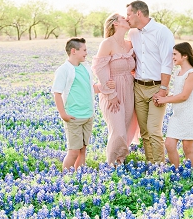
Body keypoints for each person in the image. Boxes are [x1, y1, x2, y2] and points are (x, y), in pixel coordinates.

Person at [126, 0, 176, 163]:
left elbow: (167, 63)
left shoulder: (162, 32)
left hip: (156, 87)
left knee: (154, 130)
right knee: (145, 132)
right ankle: (150, 164)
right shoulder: (132, 33)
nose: (127, 18)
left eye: (128, 14)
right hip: (138, 86)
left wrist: (163, 89)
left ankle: (159, 167)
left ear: (138, 13)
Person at [92, 13, 140, 165]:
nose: (126, 18)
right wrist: (110, 92)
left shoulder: (130, 43)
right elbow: (99, 68)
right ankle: (111, 164)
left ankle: (121, 160)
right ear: (115, 24)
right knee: (117, 130)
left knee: (125, 129)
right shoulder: (107, 43)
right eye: (122, 18)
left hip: (129, 89)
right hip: (113, 90)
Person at [156, 42, 193, 167]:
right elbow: (178, 92)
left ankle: (190, 174)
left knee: (187, 147)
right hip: (178, 113)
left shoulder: (192, 73)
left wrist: (164, 100)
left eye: (175, 54)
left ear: (185, 55)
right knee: (169, 144)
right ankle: (177, 171)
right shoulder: (178, 72)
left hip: (190, 114)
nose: (172, 57)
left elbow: (184, 96)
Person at [52, 38, 99, 171]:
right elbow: (57, 93)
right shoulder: (64, 70)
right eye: (84, 50)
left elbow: (91, 87)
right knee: (73, 151)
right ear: (74, 51)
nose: (86, 53)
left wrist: (105, 87)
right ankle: (65, 178)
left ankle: (79, 176)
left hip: (88, 115)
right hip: (74, 117)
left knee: (83, 150)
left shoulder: (85, 67)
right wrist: (63, 114)